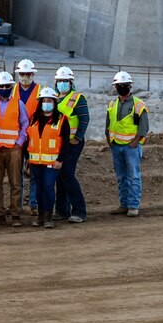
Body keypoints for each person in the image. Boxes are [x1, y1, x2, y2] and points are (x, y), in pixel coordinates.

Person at [0, 71, 29, 227]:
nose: (4, 88)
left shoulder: (18, 103)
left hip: (13, 150)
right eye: (1, 86)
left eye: (7, 86)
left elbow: (25, 125)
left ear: (11, 87)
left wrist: (19, 143)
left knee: (15, 183)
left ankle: (15, 215)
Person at [105, 71, 149, 217]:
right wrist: (109, 140)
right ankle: (124, 204)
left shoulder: (138, 105)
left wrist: (135, 143)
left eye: (124, 85)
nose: (122, 87)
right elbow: (108, 124)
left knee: (133, 177)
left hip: (131, 147)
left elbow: (144, 127)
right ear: (115, 87)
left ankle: (133, 206)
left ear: (130, 86)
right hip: (116, 146)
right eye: (119, 85)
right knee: (121, 177)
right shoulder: (112, 104)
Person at [28, 88, 71, 229]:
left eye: (49, 100)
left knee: (48, 188)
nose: (46, 103)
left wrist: (60, 160)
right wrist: (27, 159)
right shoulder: (33, 118)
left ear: (54, 102)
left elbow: (65, 142)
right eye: (44, 100)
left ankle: (48, 216)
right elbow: (28, 140)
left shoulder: (61, 119)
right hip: (35, 162)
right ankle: (40, 216)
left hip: (52, 163)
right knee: (39, 189)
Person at [54, 66, 90, 223]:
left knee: (67, 174)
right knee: (60, 177)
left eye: (65, 81)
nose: (62, 83)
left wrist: (78, 137)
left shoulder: (77, 98)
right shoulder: (54, 97)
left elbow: (84, 118)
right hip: (59, 144)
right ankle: (62, 210)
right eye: (60, 80)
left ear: (71, 82)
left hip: (73, 143)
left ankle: (79, 210)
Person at [12, 59, 40, 215]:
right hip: (16, 138)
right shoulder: (12, 90)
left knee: (35, 171)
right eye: (22, 74)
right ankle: (18, 205)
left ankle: (34, 203)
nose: (25, 77)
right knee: (17, 174)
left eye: (28, 74)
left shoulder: (40, 91)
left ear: (33, 74)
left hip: (35, 138)